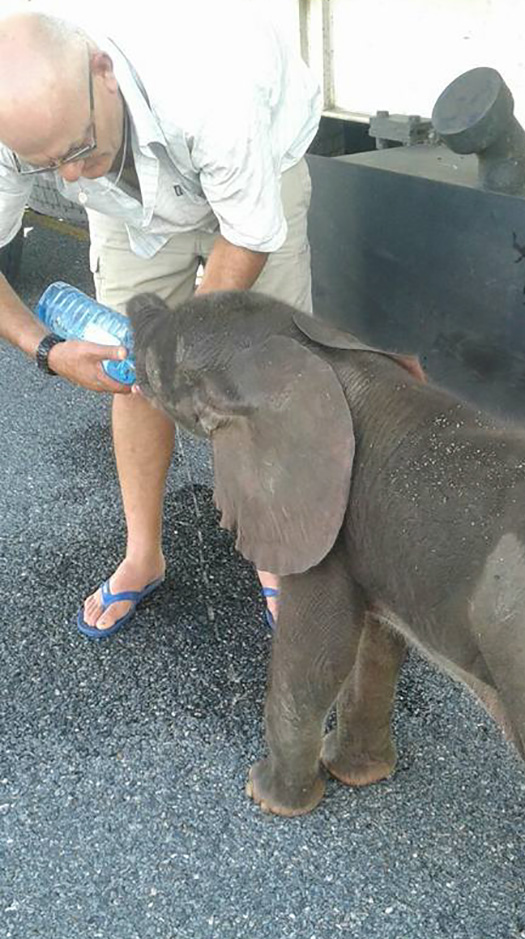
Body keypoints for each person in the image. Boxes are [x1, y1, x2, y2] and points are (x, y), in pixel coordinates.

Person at [0, 6, 321, 635]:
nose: (66, 176)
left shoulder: (212, 86)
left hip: (260, 161)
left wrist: (181, 348)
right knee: (132, 367)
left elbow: (249, 236)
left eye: (75, 149)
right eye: (44, 166)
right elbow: (64, 159)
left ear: (103, 72)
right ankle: (143, 556)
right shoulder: (25, 130)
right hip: (125, 201)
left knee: (271, 372)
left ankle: (280, 559)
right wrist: (46, 350)